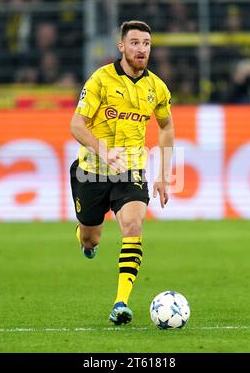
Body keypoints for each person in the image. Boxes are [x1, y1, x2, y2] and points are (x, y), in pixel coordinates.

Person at [70, 20, 174, 325]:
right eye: (135, 43)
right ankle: (85, 239)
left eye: (146, 44)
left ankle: (120, 303)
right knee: (91, 237)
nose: (141, 49)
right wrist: (103, 150)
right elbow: (76, 125)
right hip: (91, 172)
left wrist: (164, 173)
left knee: (132, 226)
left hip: (131, 170)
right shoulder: (100, 80)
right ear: (122, 47)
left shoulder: (157, 87)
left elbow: (166, 126)